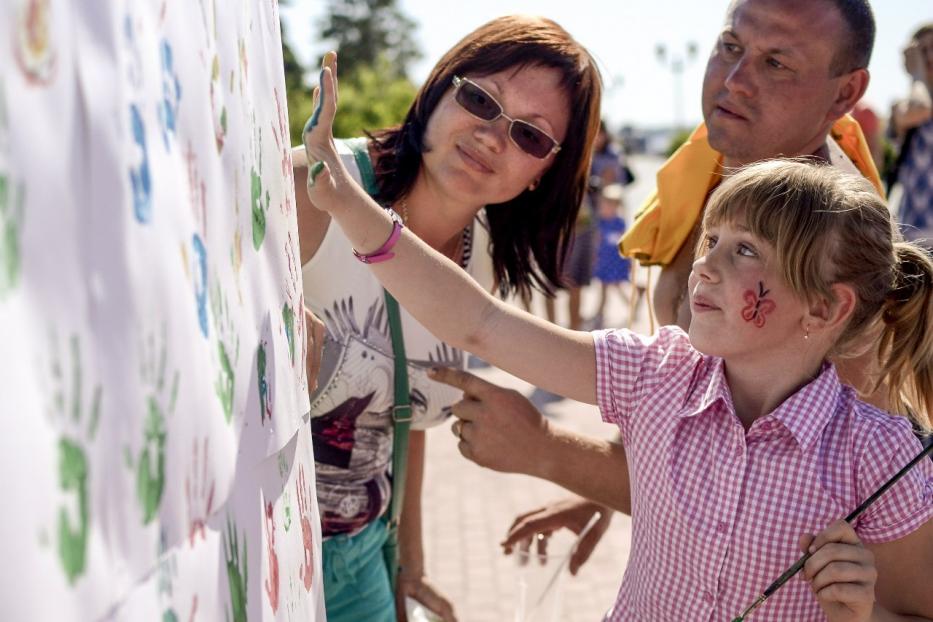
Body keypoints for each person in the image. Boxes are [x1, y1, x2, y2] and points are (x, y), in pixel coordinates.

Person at [304, 57, 933, 617]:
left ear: (825, 308)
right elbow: (482, 323)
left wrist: (862, 613)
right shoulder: (654, 374)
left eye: (745, 251)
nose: (706, 264)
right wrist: (349, 204)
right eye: (711, 240)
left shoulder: (878, 456)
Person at [428, 0, 891, 574]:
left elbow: (775, 499)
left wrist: (548, 449)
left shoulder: (837, 257)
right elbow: (688, 411)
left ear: (846, 94)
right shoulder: (712, 178)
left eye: (777, 63)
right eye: (730, 47)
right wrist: (597, 491)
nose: (736, 80)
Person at [293, 18, 602, 622]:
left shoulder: (480, 253)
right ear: (439, 89)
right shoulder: (315, 188)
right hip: (254, 551)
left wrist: (410, 563)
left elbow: (404, 412)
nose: (492, 136)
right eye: (481, 99)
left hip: (360, 563)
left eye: (531, 137)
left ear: (544, 172)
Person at [888, 23, 933, 245]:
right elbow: (920, 108)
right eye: (922, 51)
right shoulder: (902, 107)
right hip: (915, 239)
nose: (930, 56)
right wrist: (917, 75)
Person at [592, 183, 640, 328]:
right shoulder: (600, 222)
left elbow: (625, 244)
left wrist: (630, 261)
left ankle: (633, 306)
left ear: (616, 207)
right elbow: (597, 242)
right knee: (603, 288)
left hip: (616, 261)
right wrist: (594, 257)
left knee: (617, 287)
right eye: (603, 205)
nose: (605, 208)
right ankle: (600, 313)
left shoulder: (619, 223)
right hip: (604, 260)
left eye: (609, 205)